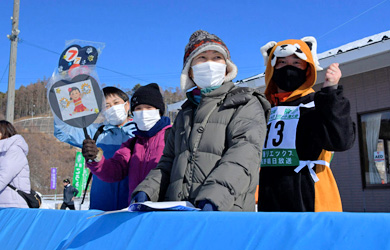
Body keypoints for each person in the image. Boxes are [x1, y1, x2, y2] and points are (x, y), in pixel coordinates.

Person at [130, 30, 270, 211]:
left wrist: (213, 198)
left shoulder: (245, 102)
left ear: (227, 66)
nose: (210, 64)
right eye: (202, 58)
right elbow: (168, 162)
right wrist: (148, 190)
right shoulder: (185, 113)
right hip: (180, 214)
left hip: (225, 212)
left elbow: (243, 156)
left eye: (217, 57)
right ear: (190, 70)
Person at [258, 36, 356, 212]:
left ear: (308, 68)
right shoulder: (264, 109)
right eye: (282, 63)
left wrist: (331, 92)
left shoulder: (317, 104)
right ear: (271, 69)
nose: (289, 67)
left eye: (296, 62)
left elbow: (341, 141)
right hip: (269, 199)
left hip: (310, 197)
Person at [82, 83, 172, 206]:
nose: (143, 113)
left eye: (149, 108)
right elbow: (114, 171)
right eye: (139, 109)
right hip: (135, 209)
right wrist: (96, 158)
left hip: (164, 210)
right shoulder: (132, 143)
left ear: (159, 111)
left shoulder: (173, 137)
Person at [54, 86, 137, 211]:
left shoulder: (139, 131)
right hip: (101, 204)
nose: (113, 108)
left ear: (127, 105)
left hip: (133, 204)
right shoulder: (95, 132)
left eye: (116, 103)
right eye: (107, 106)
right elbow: (63, 132)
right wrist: (63, 98)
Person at [0, 120, 32, 208]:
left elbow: (4, 176)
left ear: (4, 132)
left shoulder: (14, 150)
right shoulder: (3, 151)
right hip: (4, 203)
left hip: (13, 204)